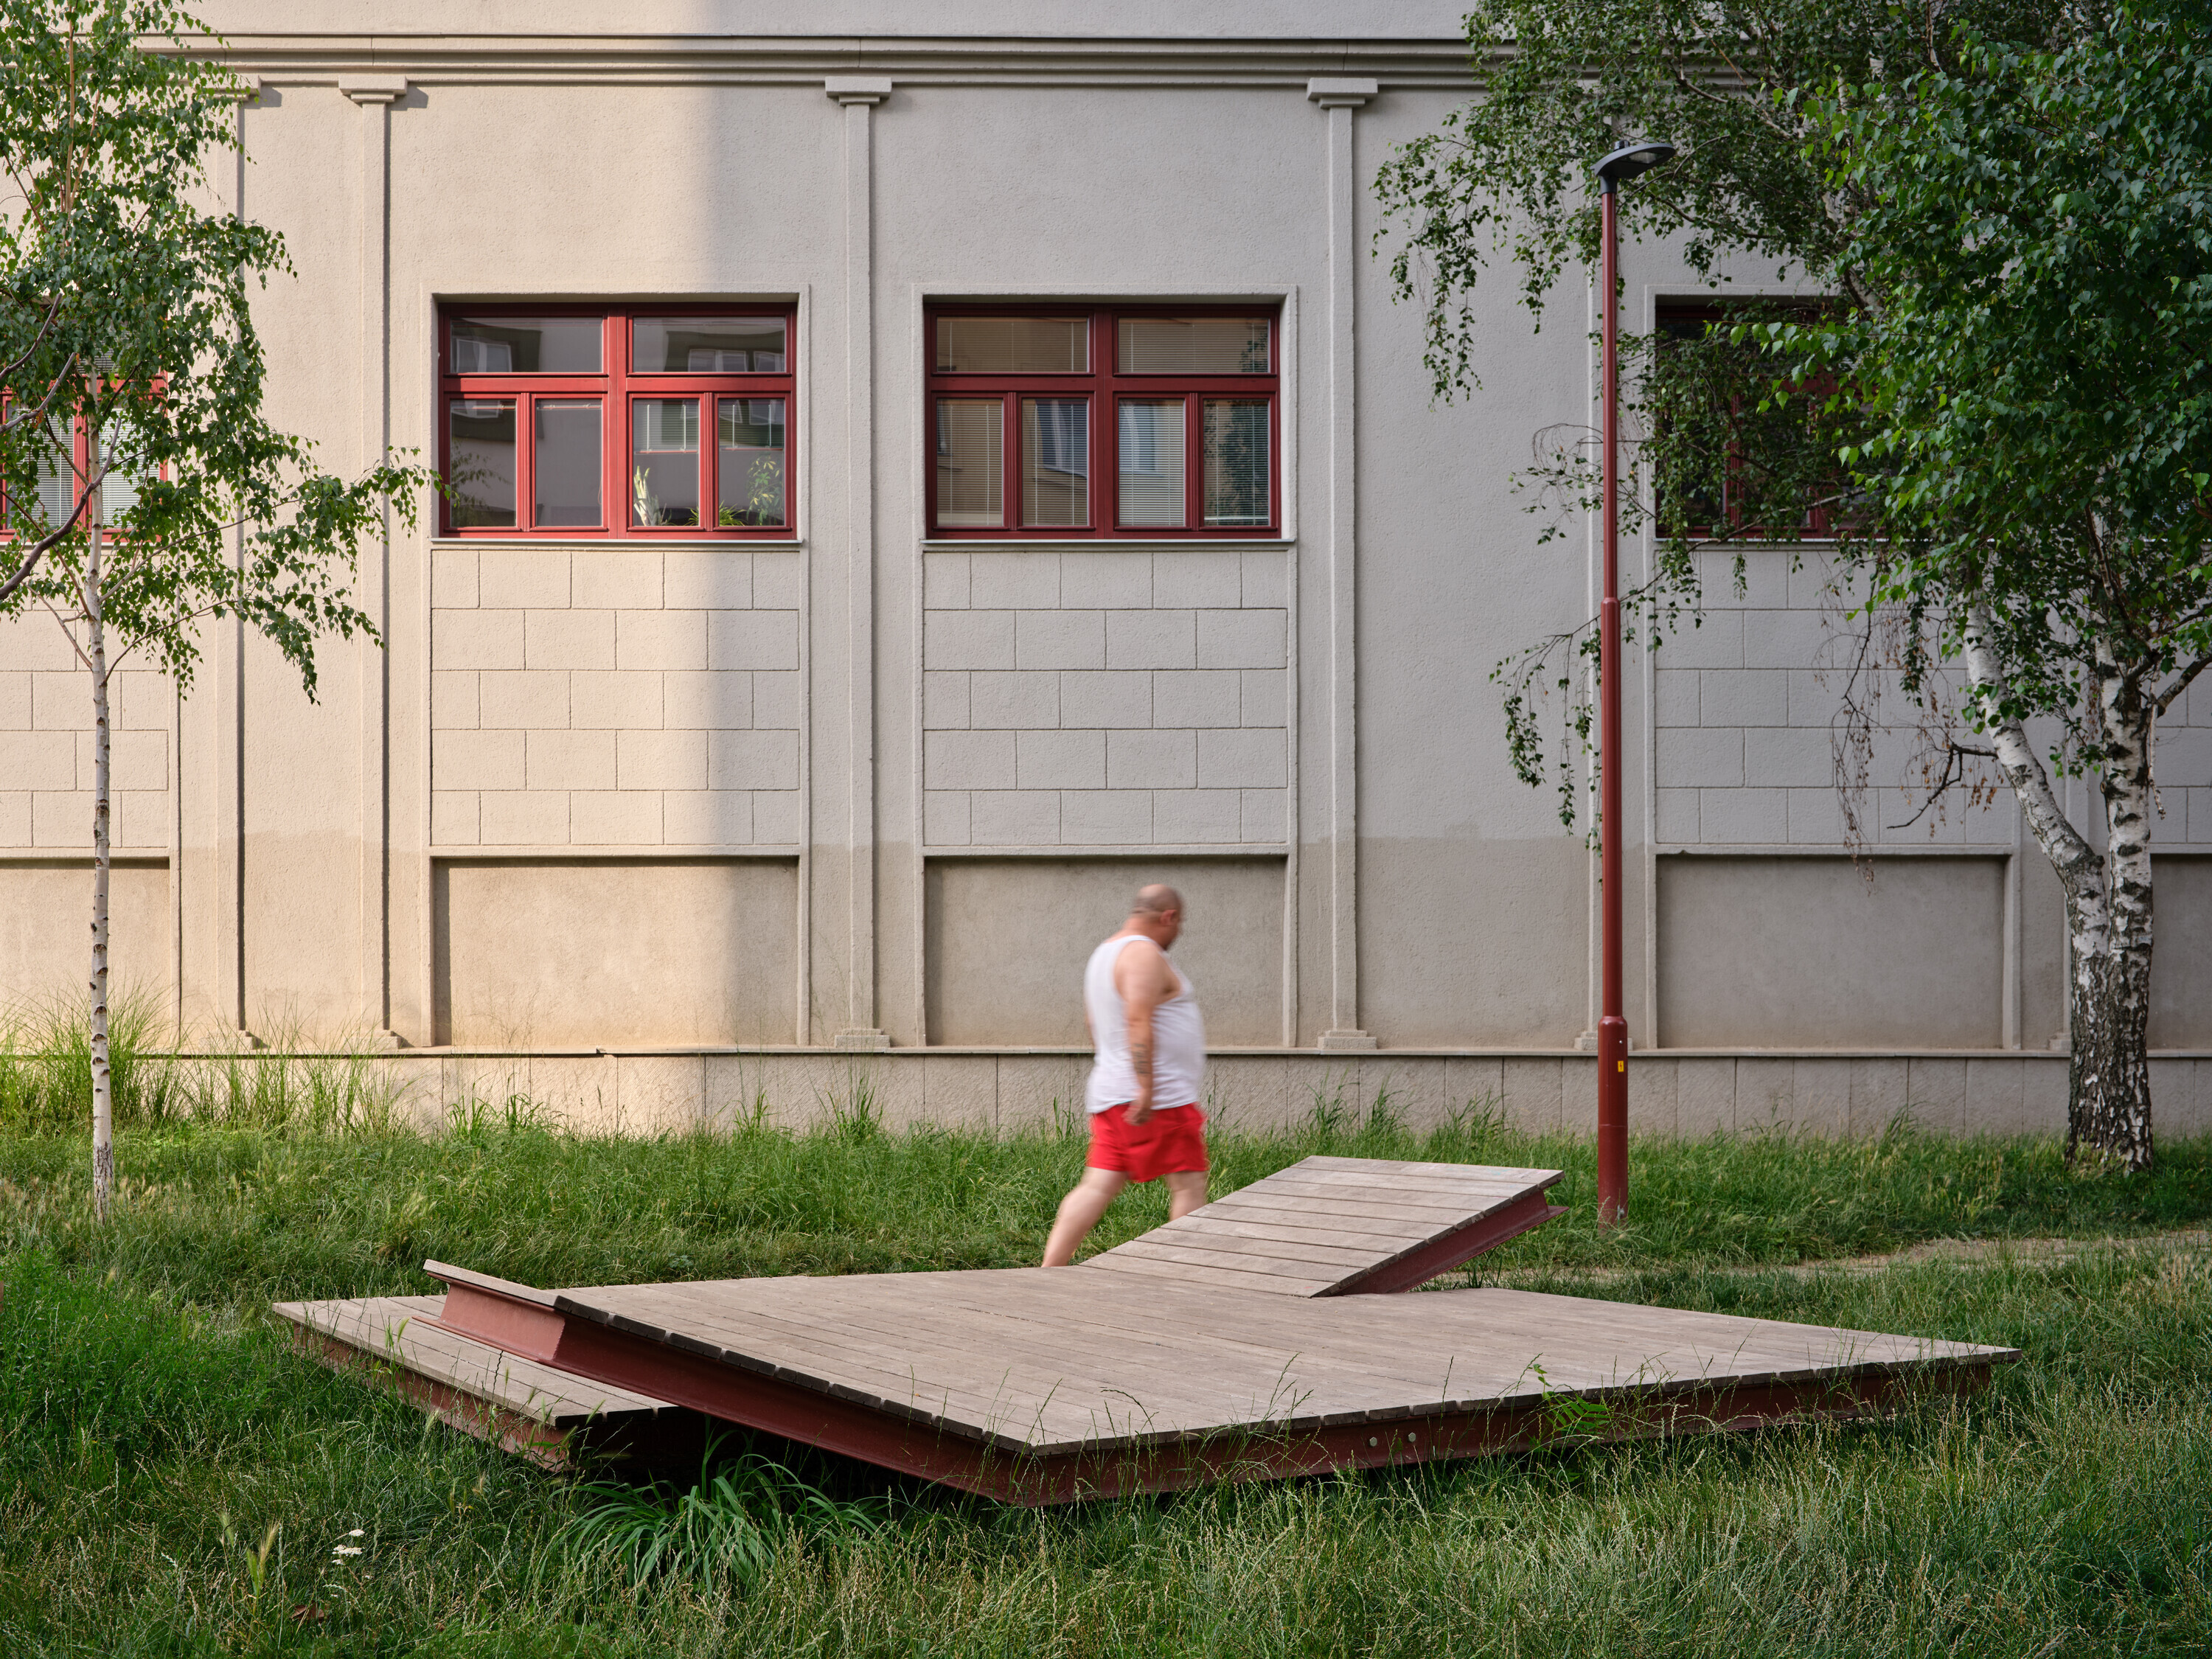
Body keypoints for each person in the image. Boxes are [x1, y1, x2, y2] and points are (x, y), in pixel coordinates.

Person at [1042, 883, 1209, 1266]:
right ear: (1168, 917)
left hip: (1112, 1093)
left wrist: (1116, 1074)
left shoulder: (1105, 953)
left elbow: (1093, 1022)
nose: (1179, 932)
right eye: (1179, 924)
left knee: (1097, 1185)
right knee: (1189, 1184)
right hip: (1160, 1098)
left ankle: (1049, 1270)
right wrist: (1146, 1088)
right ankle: (1182, 1275)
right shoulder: (1142, 953)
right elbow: (1137, 1019)